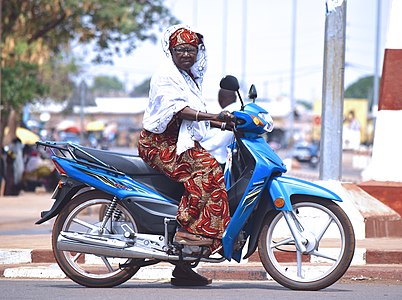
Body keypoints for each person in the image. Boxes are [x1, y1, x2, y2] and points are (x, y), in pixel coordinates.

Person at [138, 24, 235, 286]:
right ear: (171, 50)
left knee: (215, 172)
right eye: (181, 49)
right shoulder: (166, 76)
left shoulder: (187, 78)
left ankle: (183, 268)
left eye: (191, 50)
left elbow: (195, 116)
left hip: (177, 141)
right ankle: (186, 231)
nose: (186, 54)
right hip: (159, 144)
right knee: (208, 170)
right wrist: (215, 117)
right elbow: (181, 112)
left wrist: (226, 123)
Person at [201, 88, 238, 169]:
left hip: (223, 161)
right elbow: (215, 132)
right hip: (227, 159)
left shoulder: (230, 113)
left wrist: (199, 148)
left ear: (221, 99)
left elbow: (218, 141)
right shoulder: (236, 109)